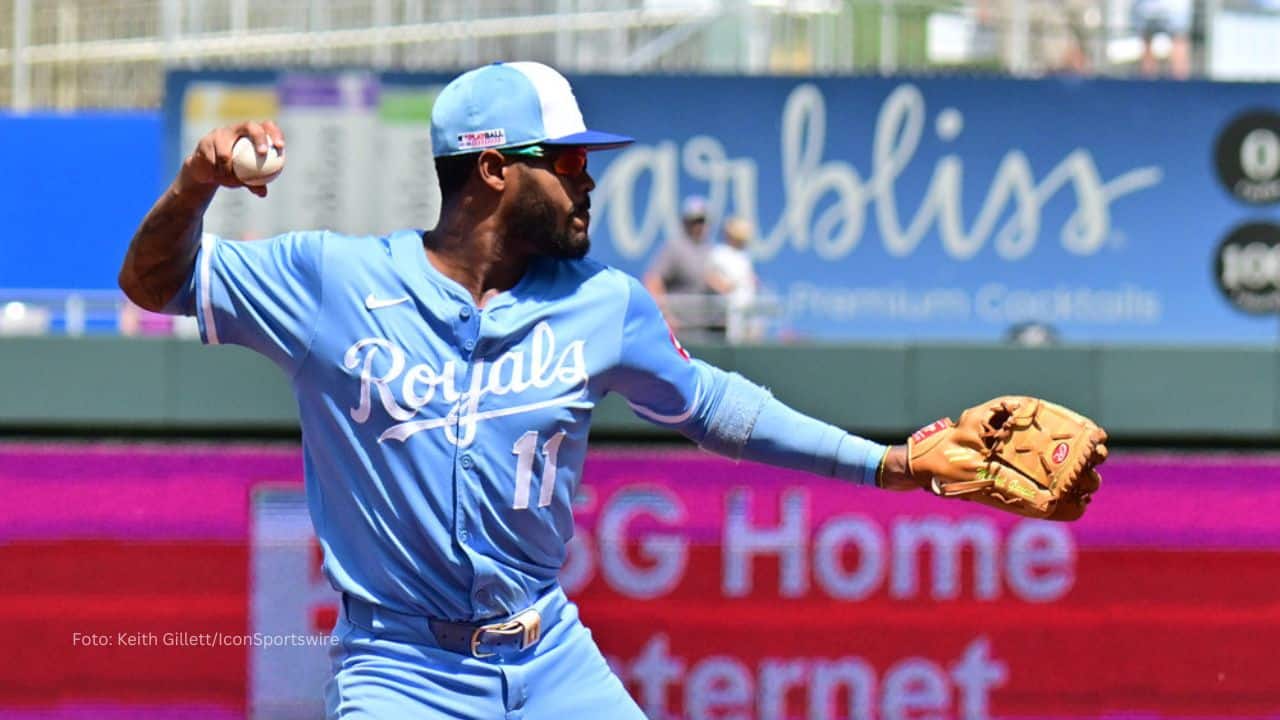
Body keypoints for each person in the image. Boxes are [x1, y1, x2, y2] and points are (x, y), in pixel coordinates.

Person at [118, 61, 927, 719]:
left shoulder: (603, 302)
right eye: (568, 161)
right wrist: (195, 186)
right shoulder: (333, 281)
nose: (589, 181)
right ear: (494, 168)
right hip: (400, 670)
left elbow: (717, 407)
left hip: (551, 659)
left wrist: (885, 463)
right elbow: (155, 284)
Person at [642, 195, 717, 338]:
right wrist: (665, 315)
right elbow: (652, 281)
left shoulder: (710, 250)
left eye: (702, 221)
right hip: (680, 331)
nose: (699, 226)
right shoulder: (675, 248)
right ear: (685, 222)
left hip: (705, 330)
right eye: (694, 221)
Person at [705, 216, 760, 343]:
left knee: (752, 337)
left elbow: (748, 277)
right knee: (734, 339)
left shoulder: (744, 256)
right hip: (730, 307)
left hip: (748, 305)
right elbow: (709, 276)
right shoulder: (719, 253)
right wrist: (723, 287)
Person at [1131, 0, 1193, 79]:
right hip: (1146, 6)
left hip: (1174, 6)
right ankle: (1148, 83)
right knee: (1147, 41)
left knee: (1179, 41)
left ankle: (1180, 84)